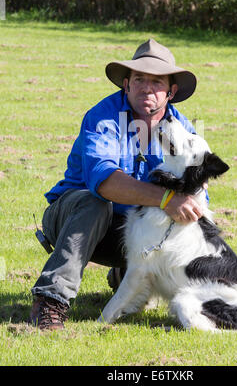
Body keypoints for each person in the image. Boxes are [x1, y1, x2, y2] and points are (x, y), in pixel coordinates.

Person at [29, 38, 208, 330]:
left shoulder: (186, 131)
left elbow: (198, 200)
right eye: (139, 79)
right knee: (95, 203)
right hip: (75, 221)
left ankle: (129, 277)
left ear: (171, 92)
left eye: (157, 81)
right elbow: (105, 181)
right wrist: (167, 199)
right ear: (126, 84)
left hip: (136, 234)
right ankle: (51, 300)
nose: (147, 88)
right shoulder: (103, 117)